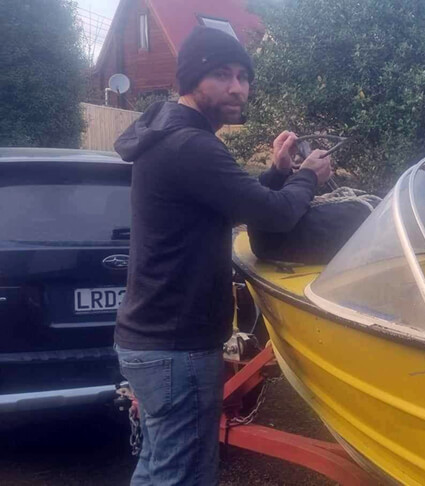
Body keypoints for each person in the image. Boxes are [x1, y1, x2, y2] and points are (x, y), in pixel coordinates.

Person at [111, 27, 332, 485]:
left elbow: (239, 203)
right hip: (178, 347)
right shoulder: (191, 145)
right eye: (222, 75)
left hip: (149, 339)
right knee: (183, 476)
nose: (238, 88)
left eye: (243, 76)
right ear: (193, 80)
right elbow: (276, 216)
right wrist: (307, 177)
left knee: (157, 467)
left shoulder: (172, 135)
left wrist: (276, 172)